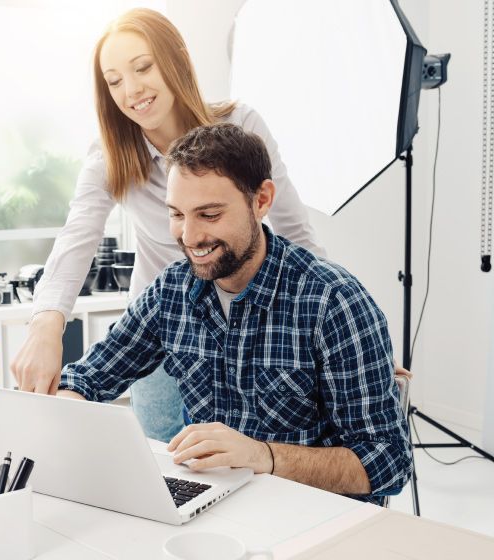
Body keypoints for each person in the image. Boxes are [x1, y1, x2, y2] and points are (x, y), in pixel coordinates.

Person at [10, 8, 324, 443]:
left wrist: (341, 330)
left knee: (244, 453)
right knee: (163, 457)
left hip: (245, 319)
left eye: (142, 67)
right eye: (114, 81)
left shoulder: (240, 125)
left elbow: (295, 231)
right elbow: (77, 237)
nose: (132, 90)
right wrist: (46, 327)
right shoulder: (110, 157)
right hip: (163, 326)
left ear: (174, 59)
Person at [56, 123, 412, 502]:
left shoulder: (334, 301)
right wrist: (64, 409)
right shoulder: (171, 290)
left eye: (209, 214)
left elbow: (389, 462)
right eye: (177, 214)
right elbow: (86, 379)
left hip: (312, 516)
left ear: (261, 200)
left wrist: (263, 456)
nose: (189, 237)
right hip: (219, 508)